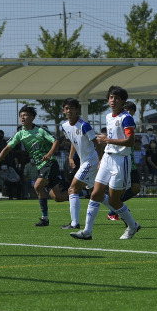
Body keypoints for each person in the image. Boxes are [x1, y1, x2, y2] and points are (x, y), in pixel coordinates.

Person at [71, 85, 141, 240]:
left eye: (116, 98)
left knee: (114, 200)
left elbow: (130, 142)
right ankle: (87, 231)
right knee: (95, 193)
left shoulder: (126, 118)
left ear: (122, 101)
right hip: (108, 158)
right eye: (110, 97)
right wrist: (103, 155)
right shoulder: (109, 117)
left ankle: (132, 225)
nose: (113, 100)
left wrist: (107, 140)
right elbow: (108, 140)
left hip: (120, 161)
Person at [0, 105, 67, 227]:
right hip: (40, 166)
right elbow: (7, 149)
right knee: (58, 197)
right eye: (21, 116)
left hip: (50, 163)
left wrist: (49, 154)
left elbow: (56, 141)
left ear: (32, 117)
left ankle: (45, 218)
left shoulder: (40, 130)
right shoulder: (20, 134)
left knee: (37, 186)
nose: (23, 118)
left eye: (25, 115)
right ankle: (79, 194)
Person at [58, 98, 99, 230]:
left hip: (91, 161)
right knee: (96, 193)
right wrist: (70, 157)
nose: (69, 111)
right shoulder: (64, 126)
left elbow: (97, 143)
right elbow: (73, 142)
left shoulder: (84, 125)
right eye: (67, 108)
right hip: (83, 162)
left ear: (77, 110)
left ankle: (74, 223)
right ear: (64, 110)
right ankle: (123, 214)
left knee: (72, 189)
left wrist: (101, 161)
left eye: (72, 108)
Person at [107, 100, 142, 221]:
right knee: (120, 189)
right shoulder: (119, 122)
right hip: (121, 160)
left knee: (136, 188)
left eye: (130, 111)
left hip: (130, 161)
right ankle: (113, 212)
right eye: (125, 110)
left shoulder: (129, 122)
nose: (127, 113)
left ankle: (116, 206)